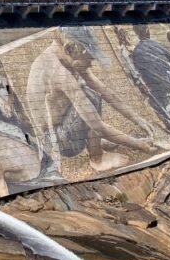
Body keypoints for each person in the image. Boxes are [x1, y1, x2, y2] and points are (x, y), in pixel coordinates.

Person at [26, 30, 159, 173]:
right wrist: (138, 144)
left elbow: (105, 91)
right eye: (89, 58)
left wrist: (137, 118)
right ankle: (97, 159)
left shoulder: (67, 56)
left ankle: (93, 142)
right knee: (88, 96)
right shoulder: (58, 72)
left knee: (90, 94)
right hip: (60, 141)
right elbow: (97, 125)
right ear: (71, 49)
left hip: (63, 124)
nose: (91, 64)